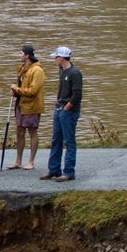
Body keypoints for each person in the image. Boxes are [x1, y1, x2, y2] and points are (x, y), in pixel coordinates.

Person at [44, 46, 84, 182]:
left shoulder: (75, 73)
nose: (54, 59)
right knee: (56, 140)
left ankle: (69, 172)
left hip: (68, 111)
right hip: (58, 108)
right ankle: (54, 170)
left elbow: (77, 95)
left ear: (61, 58)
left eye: (56, 57)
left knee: (69, 141)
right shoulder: (61, 70)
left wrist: (67, 107)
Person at [8, 44, 44, 171]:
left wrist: (17, 89)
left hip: (32, 106)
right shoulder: (22, 68)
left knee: (32, 131)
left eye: (21, 53)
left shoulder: (37, 70)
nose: (19, 55)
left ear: (27, 55)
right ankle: (18, 161)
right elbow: (21, 86)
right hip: (20, 105)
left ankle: (31, 161)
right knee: (19, 132)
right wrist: (16, 92)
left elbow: (33, 90)